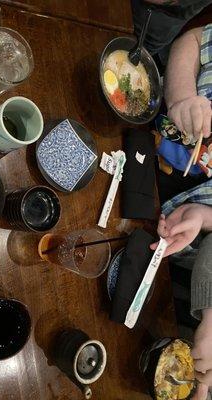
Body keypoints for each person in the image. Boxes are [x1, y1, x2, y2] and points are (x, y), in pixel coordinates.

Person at [149, 25, 212, 400]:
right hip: (147, 135)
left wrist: (203, 217)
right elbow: (192, 40)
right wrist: (182, 95)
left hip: (178, 221)